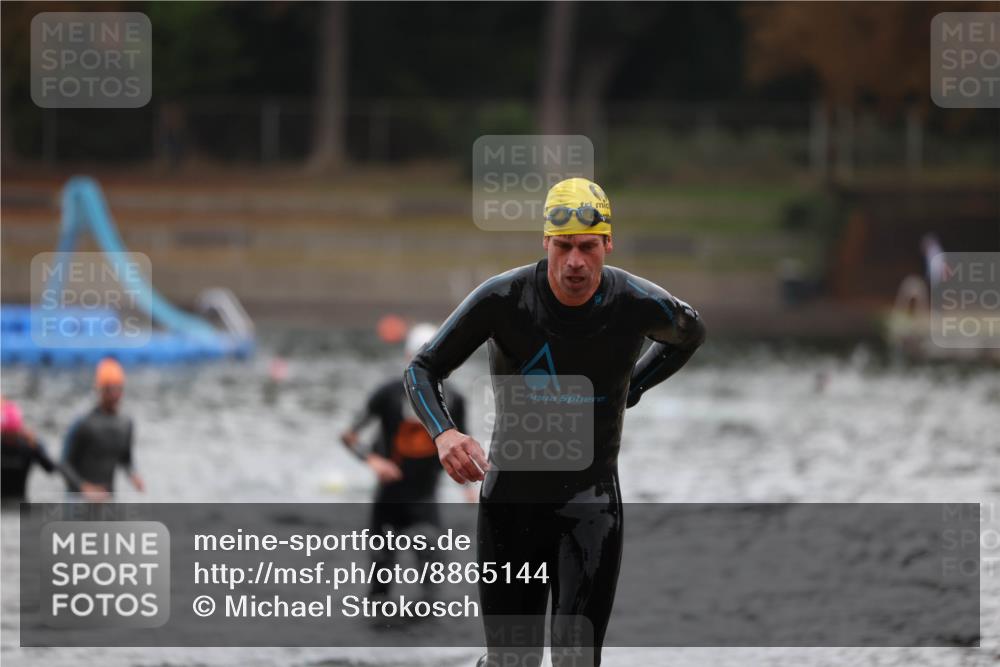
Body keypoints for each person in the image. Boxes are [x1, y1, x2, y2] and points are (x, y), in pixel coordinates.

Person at [404, 178, 706, 665]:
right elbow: (422, 369)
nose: (575, 263)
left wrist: (637, 386)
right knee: (512, 662)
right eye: (563, 247)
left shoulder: (635, 302)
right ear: (545, 242)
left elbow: (690, 334)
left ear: (608, 243)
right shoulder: (502, 300)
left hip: (591, 505)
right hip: (510, 505)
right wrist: (445, 433)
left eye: (588, 247)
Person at [342, 323, 469, 599]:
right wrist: (374, 461)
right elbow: (349, 436)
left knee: (432, 583)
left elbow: (463, 445)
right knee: (379, 582)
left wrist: (469, 488)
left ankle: (426, 635)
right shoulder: (387, 393)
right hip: (389, 498)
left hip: (425, 500)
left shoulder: (455, 398)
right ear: (408, 358)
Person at [62, 358, 145, 496]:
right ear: (99, 390)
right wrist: (84, 487)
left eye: (117, 389)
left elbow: (126, 459)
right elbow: (64, 464)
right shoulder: (83, 424)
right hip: (80, 499)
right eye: (109, 389)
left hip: (107, 497)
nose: (114, 395)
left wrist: (133, 476)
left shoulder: (126, 424)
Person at [1, 397, 103, 504]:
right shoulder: (26, 446)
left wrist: (37, 445)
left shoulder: (27, 447)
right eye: (7, 435)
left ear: (18, 432)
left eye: (12, 435)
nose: (10, 440)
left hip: (19, 502)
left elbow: (50, 468)